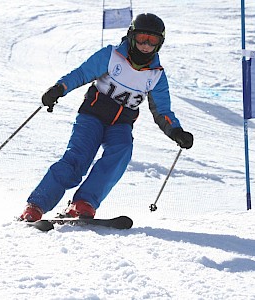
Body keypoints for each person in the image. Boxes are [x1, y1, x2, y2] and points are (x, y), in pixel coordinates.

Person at [19, 13, 193, 222]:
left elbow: (162, 111)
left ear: (160, 43)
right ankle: (36, 205)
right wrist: (59, 89)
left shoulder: (156, 75)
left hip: (121, 124)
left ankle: (83, 203)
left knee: (122, 152)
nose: (146, 45)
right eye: (141, 39)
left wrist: (176, 131)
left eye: (152, 40)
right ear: (131, 36)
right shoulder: (111, 56)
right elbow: (81, 74)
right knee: (77, 158)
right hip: (92, 116)